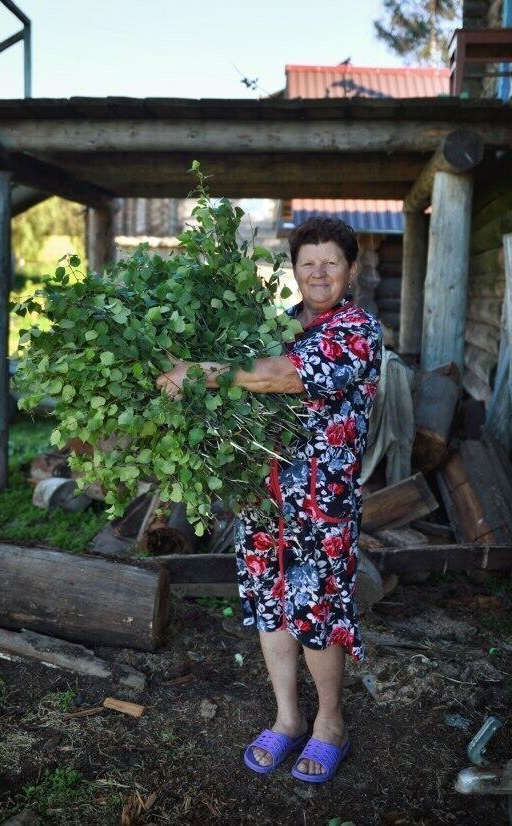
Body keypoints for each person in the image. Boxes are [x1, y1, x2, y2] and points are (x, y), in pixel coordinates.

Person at [156, 216, 383, 783]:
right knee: (270, 605)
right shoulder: (273, 326)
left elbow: (284, 376)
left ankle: (330, 723)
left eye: (331, 261)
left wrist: (199, 373)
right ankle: (287, 719)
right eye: (308, 262)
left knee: (317, 613)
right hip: (263, 494)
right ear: (295, 270)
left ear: (351, 270)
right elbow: (256, 373)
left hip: (320, 505)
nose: (319, 272)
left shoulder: (358, 331)